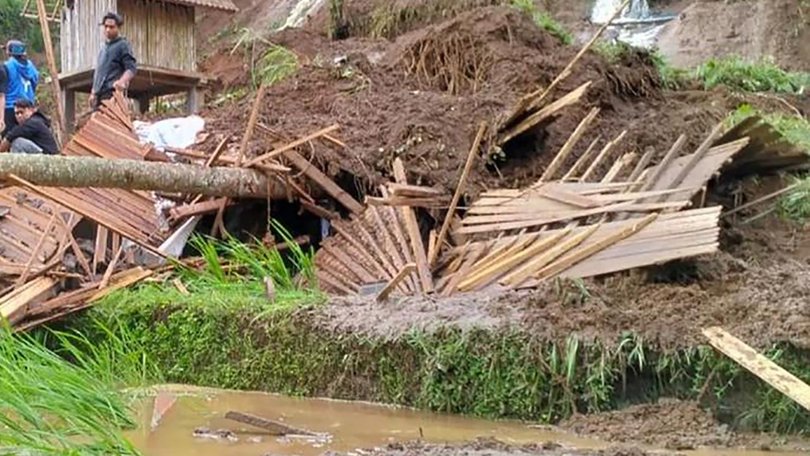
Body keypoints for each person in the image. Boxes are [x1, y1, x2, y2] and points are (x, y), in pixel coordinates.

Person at [89, 12, 137, 110]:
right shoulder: (103, 49)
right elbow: (99, 73)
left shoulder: (123, 45)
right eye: (106, 26)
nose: (108, 30)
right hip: (99, 96)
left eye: (111, 27)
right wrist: (93, 92)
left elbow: (131, 68)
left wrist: (122, 81)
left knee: (109, 123)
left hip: (112, 94)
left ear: (118, 28)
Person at [1, 40, 39, 137]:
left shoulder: (6, 67)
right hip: (29, 110)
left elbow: (2, 94)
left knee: (9, 141)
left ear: (9, 52)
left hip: (11, 109)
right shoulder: (32, 67)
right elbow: (34, 85)